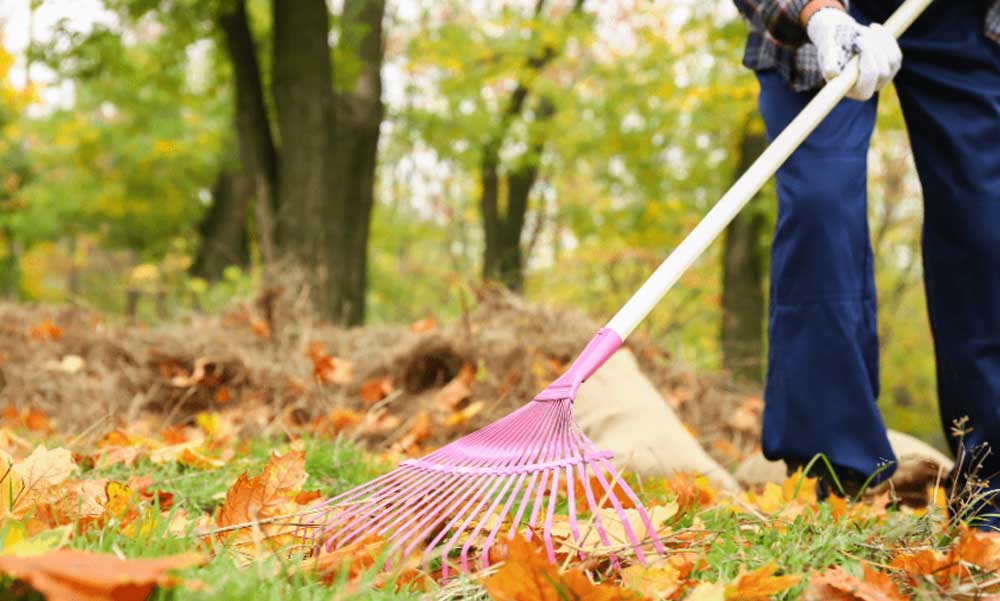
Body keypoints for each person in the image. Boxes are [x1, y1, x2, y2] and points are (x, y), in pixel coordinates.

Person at [732, 0, 1000, 518]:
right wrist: (816, 15)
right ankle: (833, 474)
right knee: (820, 207)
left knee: (987, 223)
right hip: (824, 22)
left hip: (960, 16)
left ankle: (993, 481)